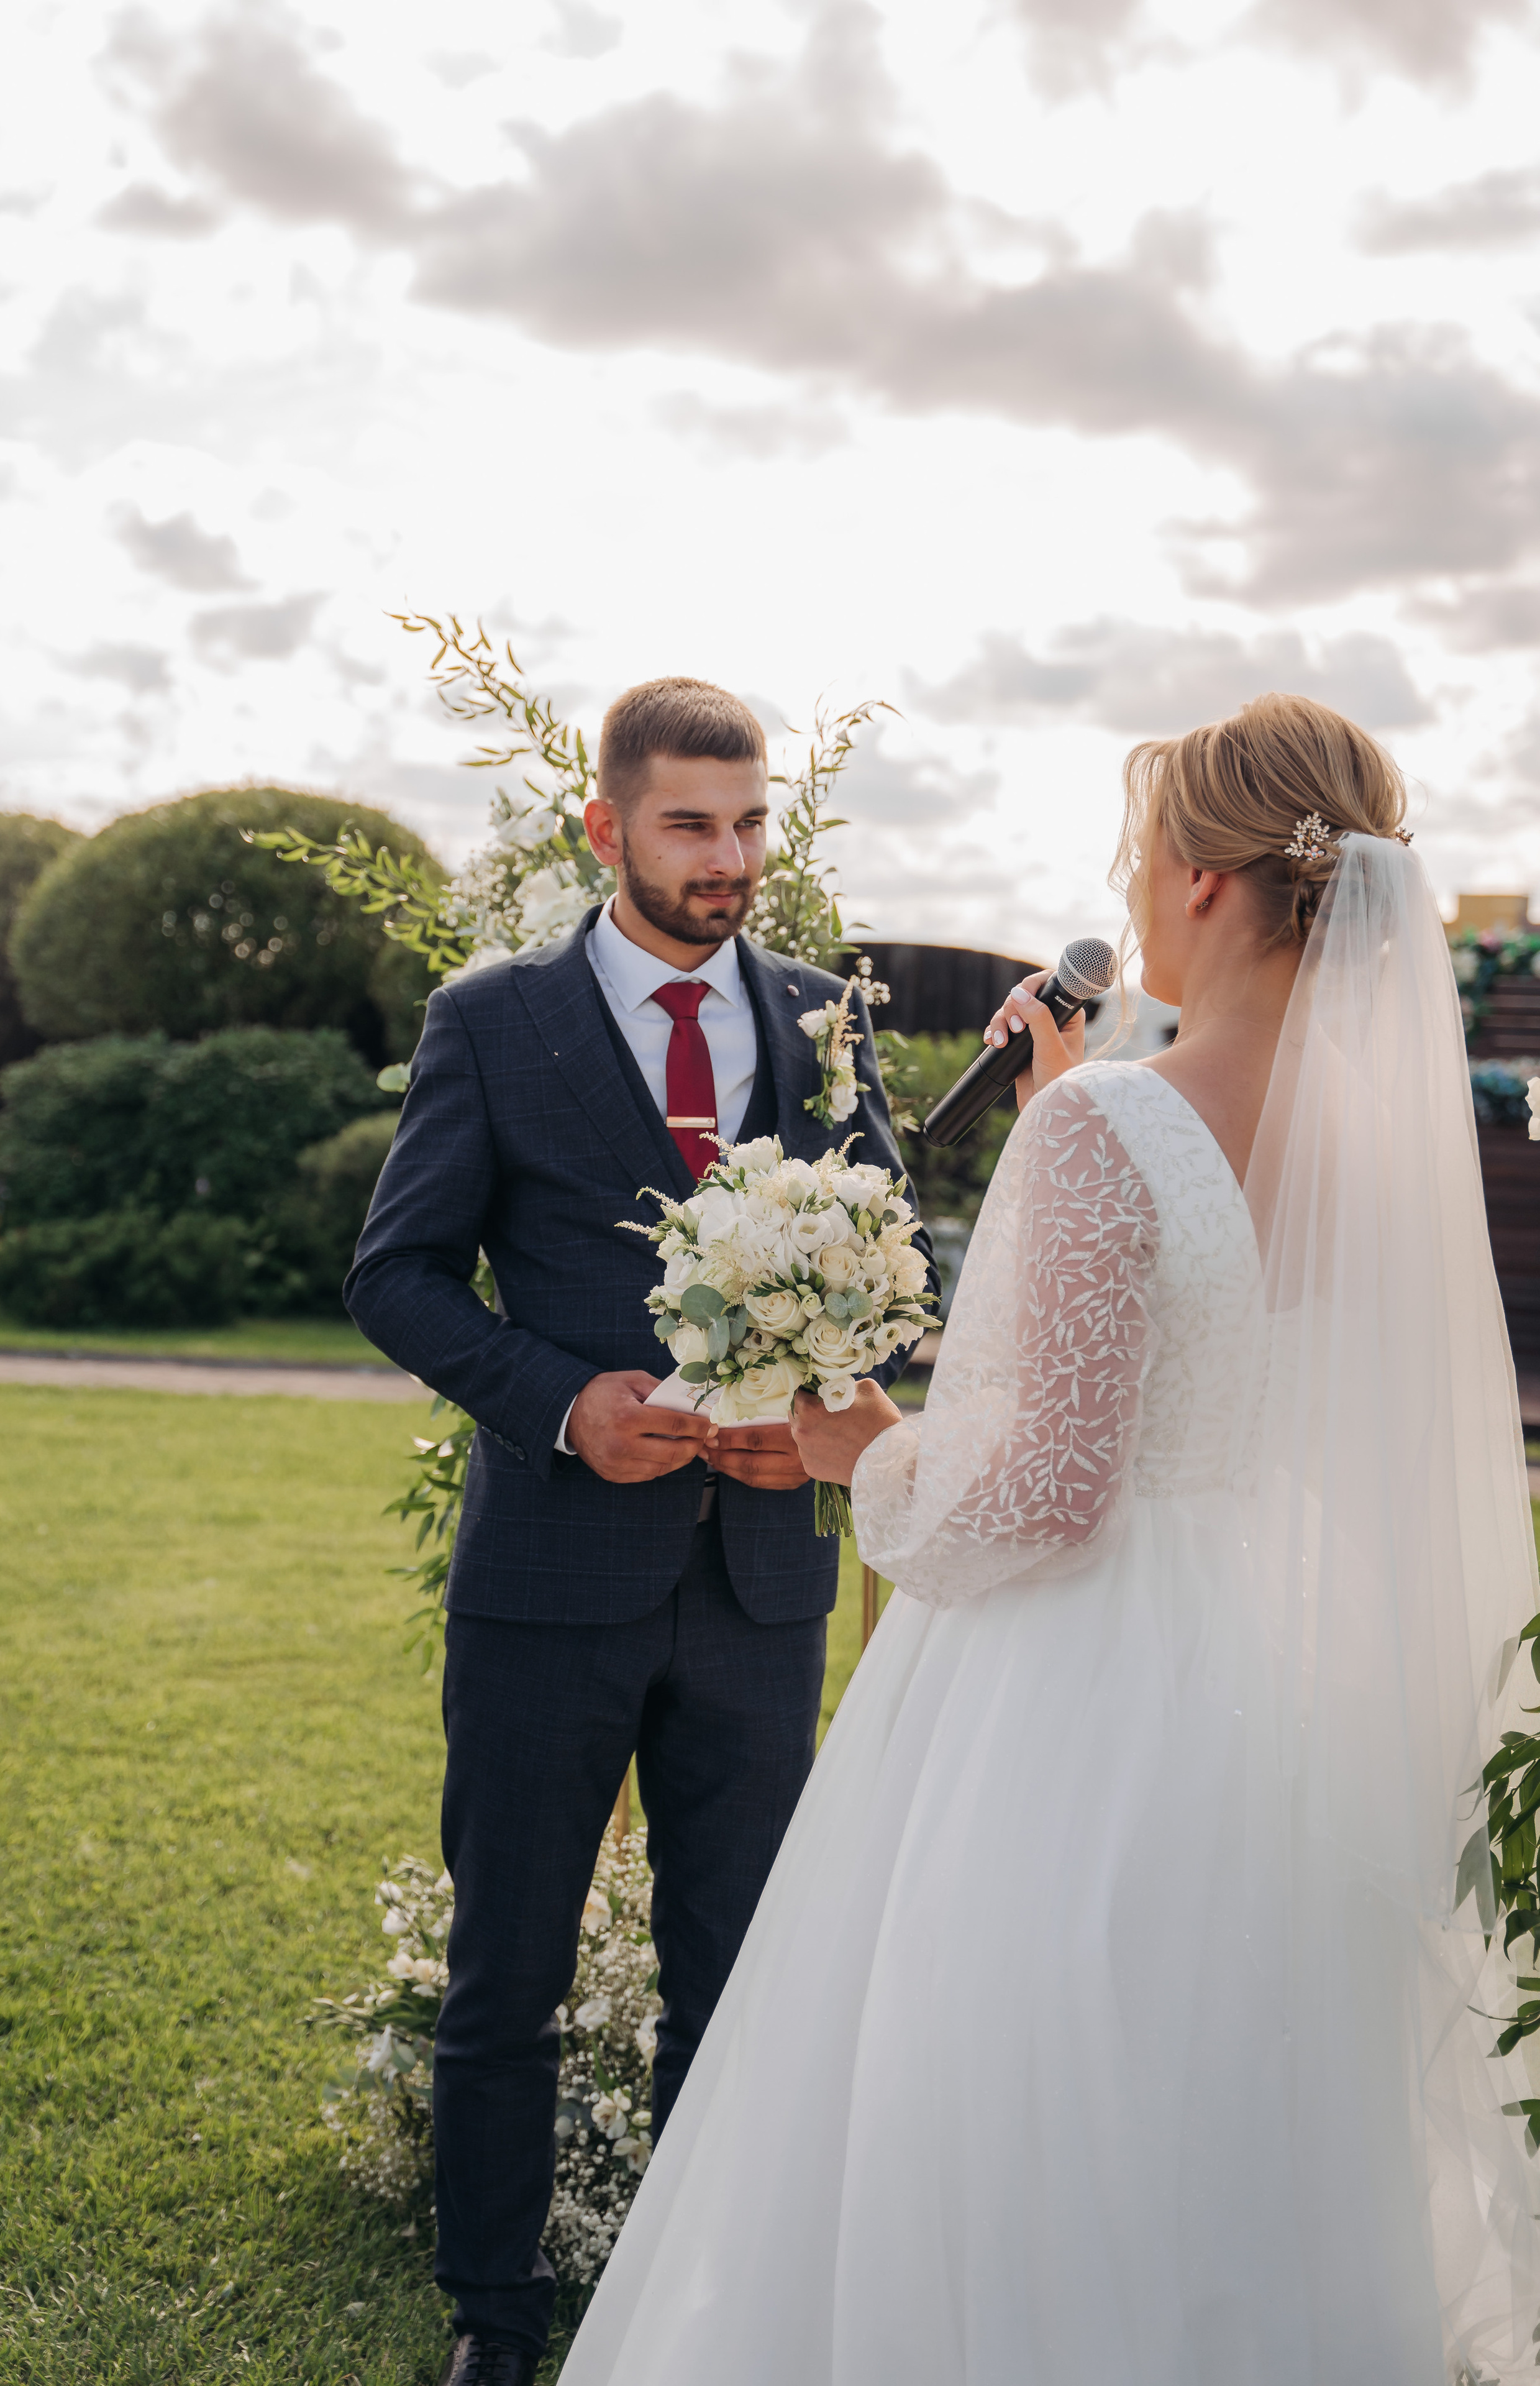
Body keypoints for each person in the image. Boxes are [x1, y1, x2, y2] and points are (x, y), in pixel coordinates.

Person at [560, 693, 1540, 2385]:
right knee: (1237, 2079)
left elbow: (1047, 1494)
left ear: (1211, 886)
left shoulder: (1108, 1125)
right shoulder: (1373, 1139)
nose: (1134, 891)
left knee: (1016, 2070)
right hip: (1276, 1667)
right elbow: (1214, 1341)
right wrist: (1089, 1105)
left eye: (1139, 855)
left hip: (1082, 1688)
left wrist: (863, 1443)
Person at [344, 676, 934, 2386]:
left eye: (749, 823)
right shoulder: (494, 1015)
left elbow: (888, 1278)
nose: (729, 857)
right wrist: (559, 1402)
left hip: (762, 1581)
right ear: (606, 828)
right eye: (690, 823)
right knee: (505, 1968)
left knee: (734, 1971)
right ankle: (497, 2325)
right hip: (547, 1575)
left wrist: (820, 1430)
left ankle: (700, 2314)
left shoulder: (829, 1016)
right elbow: (395, 1275)